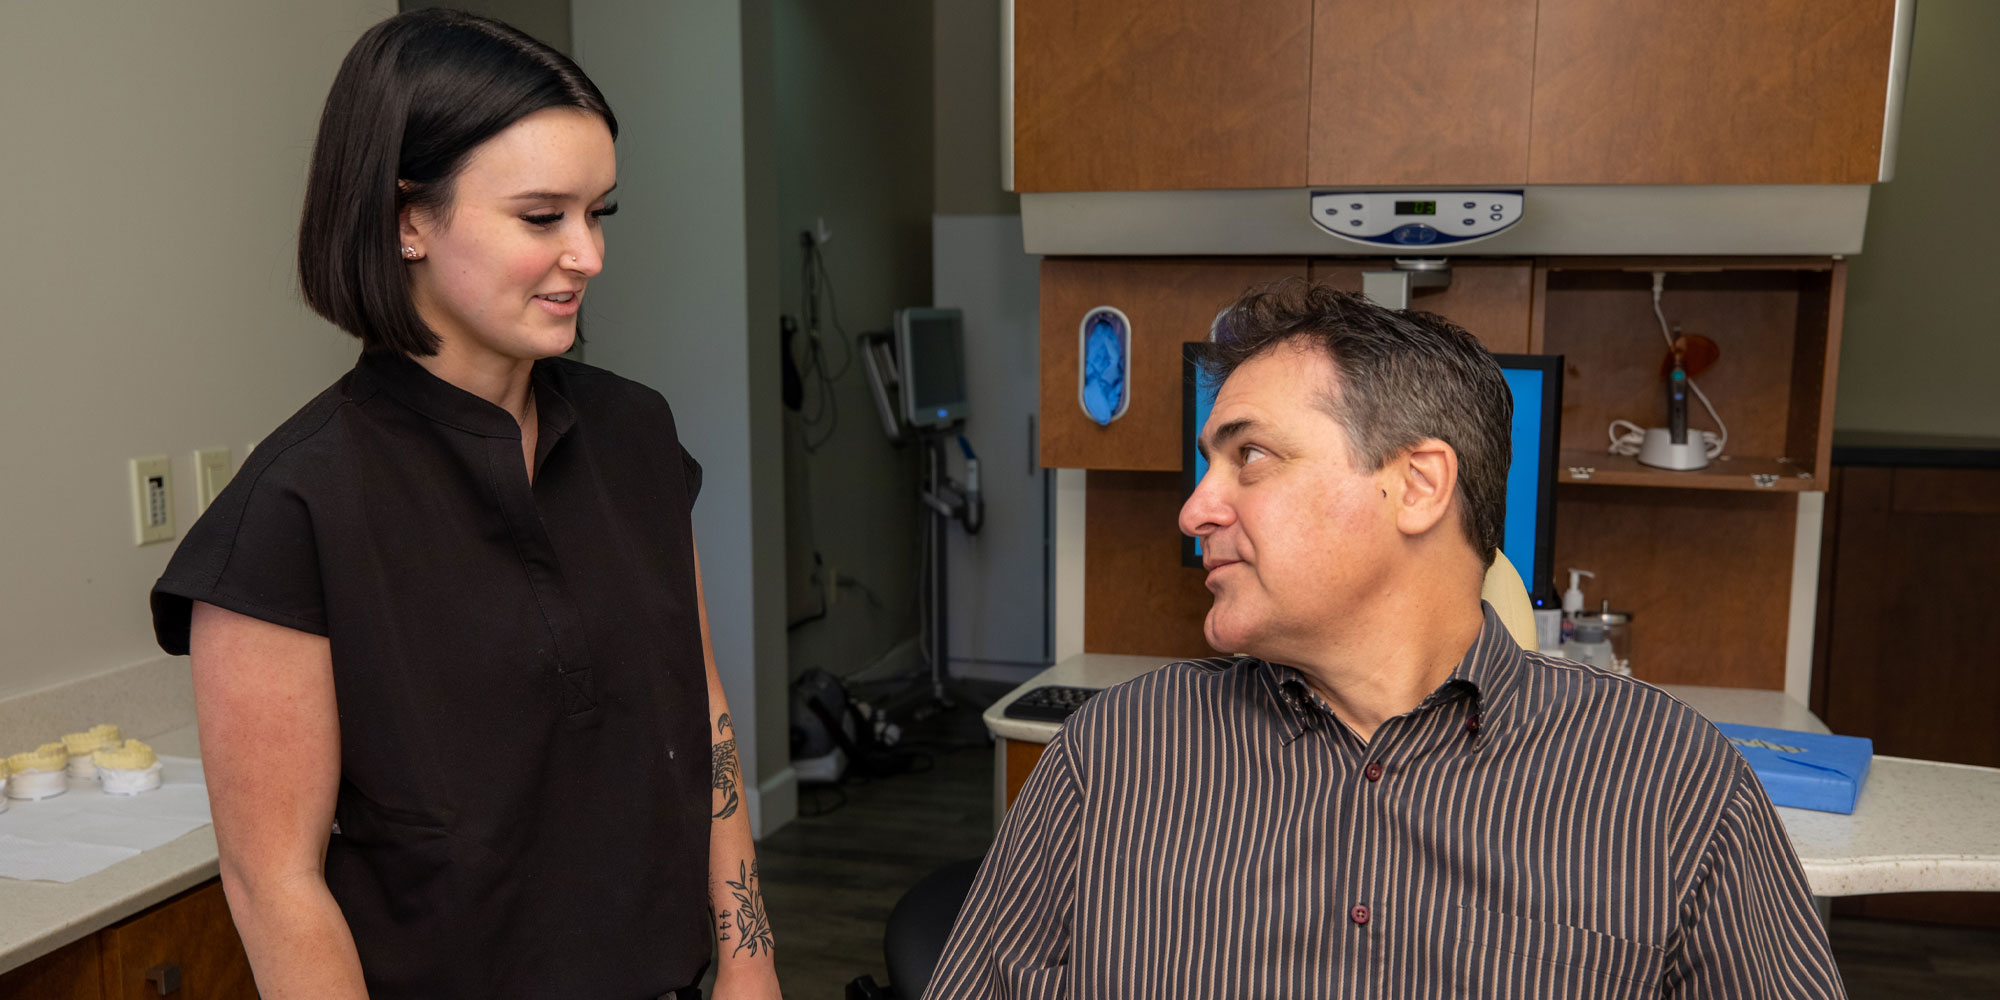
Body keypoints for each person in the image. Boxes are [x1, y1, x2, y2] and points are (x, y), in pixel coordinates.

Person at [925, 282, 1843, 999]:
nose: (1197, 507)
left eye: (1249, 455)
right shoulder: (1114, 757)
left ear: (1416, 485)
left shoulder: (1671, 784)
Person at [149, 11, 780, 999]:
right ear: (408, 218)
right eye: (542, 218)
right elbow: (276, 885)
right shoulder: (293, 509)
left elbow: (702, 719)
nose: (588, 255)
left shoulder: (634, 436)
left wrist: (749, 961)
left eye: (598, 213)